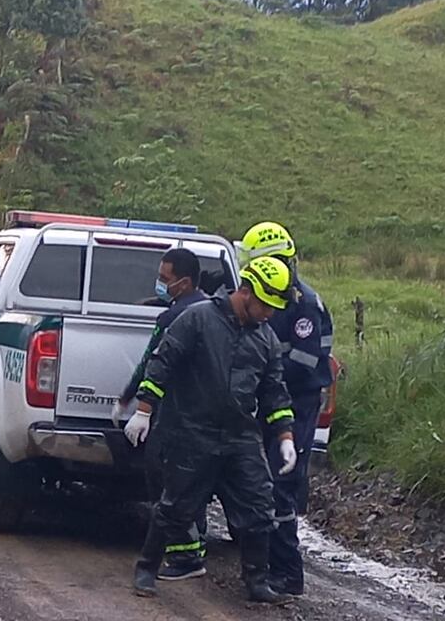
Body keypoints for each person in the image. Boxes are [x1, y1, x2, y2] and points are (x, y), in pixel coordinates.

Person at [131, 256, 298, 602]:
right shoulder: (199, 318)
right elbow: (163, 361)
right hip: (193, 432)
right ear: (246, 291)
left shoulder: (265, 339)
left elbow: (274, 392)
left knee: (258, 508)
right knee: (174, 506)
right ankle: (147, 568)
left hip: (240, 438)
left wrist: (285, 436)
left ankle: (257, 582)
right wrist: (144, 410)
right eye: (266, 306)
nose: (270, 314)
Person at [239, 222, 334, 597]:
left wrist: (262, 376)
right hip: (272, 401)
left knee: (281, 485)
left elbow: (302, 361)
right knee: (261, 483)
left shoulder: (304, 305)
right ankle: (263, 563)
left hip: (296, 403)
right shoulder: (269, 300)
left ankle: (287, 572)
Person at [113, 248, 207, 506]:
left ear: (184, 283)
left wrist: (128, 399)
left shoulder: (172, 318)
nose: (160, 284)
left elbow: (150, 362)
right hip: (209, 423)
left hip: (172, 418)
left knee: (162, 483)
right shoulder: (214, 312)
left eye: (164, 279)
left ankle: (164, 538)